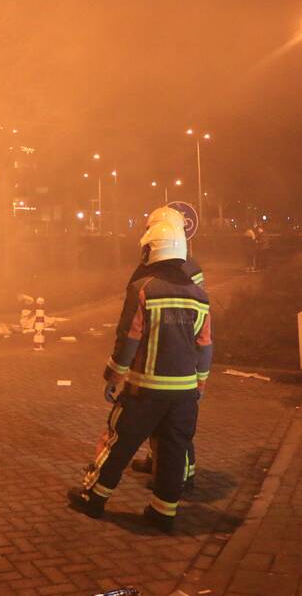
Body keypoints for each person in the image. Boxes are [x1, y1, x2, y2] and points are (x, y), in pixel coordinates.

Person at [67, 220, 212, 532]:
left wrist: (113, 376)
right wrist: (199, 384)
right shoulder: (200, 296)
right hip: (185, 393)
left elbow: (129, 338)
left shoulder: (143, 289)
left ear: (152, 250)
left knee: (118, 442)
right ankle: (163, 513)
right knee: (173, 450)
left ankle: (93, 497)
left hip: (145, 390)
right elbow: (205, 345)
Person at [127, 206, 202, 486]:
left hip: (166, 359)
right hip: (179, 359)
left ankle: (182, 473)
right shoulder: (185, 265)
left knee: (175, 427)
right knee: (170, 424)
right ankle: (167, 466)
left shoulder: (181, 270)